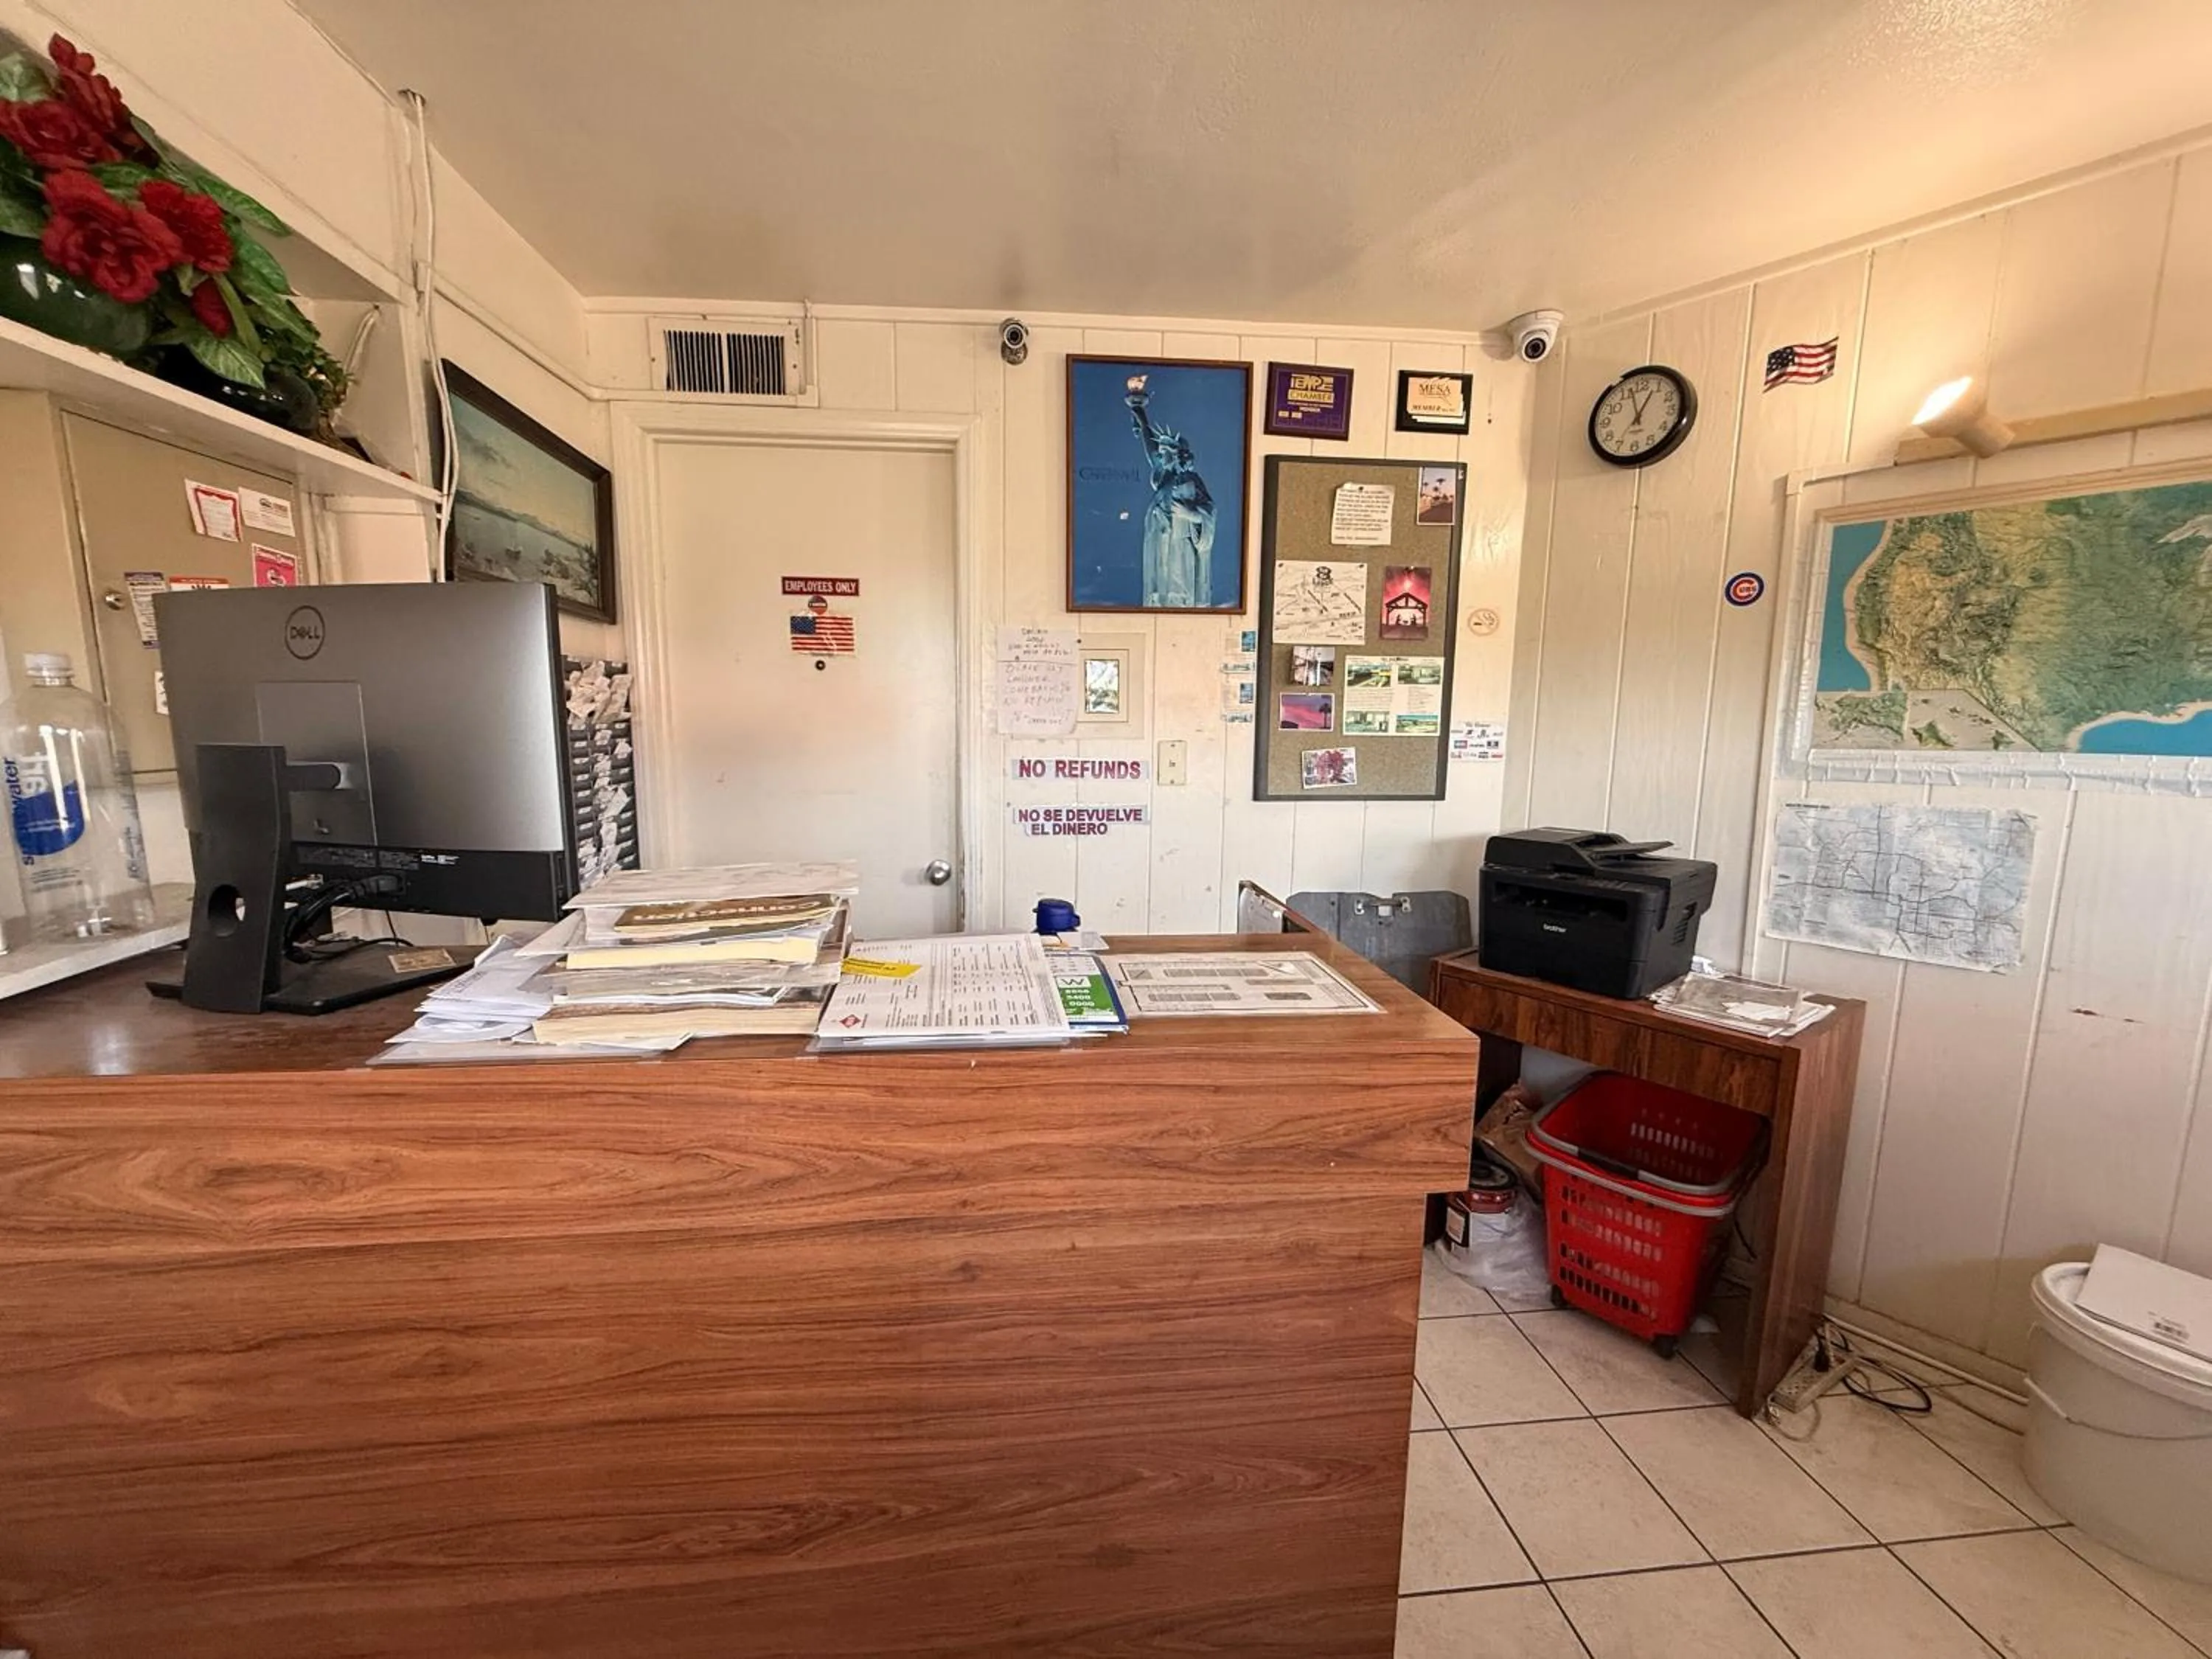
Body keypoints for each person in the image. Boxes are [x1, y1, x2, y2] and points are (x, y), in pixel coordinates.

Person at [1125, 375, 1217, 607]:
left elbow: (1210, 510)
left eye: (1166, 452)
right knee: (1159, 590)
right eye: (1162, 452)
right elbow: (1150, 451)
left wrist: (1192, 515)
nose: (1161, 455)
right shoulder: (1165, 479)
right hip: (1160, 543)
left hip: (1182, 546)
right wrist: (1140, 414)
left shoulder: (1191, 480)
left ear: (1178, 455)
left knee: (1179, 591)